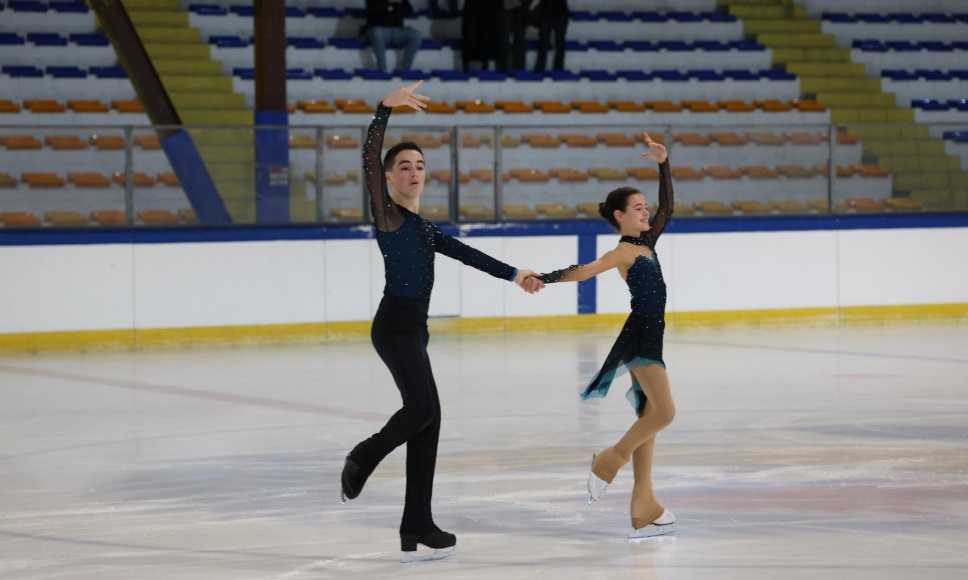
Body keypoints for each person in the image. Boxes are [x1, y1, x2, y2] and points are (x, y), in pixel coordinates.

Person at [341, 81, 543, 562]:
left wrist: (517, 274)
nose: (413, 172)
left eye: (419, 166)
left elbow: (468, 253)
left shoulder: (424, 228)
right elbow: (368, 159)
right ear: (388, 178)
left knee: (428, 419)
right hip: (394, 324)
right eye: (403, 166)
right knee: (420, 411)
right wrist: (382, 111)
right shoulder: (388, 215)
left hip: (415, 328)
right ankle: (363, 456)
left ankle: (417, 523)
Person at [529, 132, 677, 539]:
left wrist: (663, 164)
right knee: (664, 413)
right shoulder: (623, 252)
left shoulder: (648, 243)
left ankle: (644, 508)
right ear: (620, 216)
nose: (647, 212)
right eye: (638, 208)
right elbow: (584, 271)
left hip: (652, 334)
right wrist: (545, 277)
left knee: (648, 415)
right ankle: (610, 459)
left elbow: (668, 207)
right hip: (641, 335)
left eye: (646, 207)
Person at [362, 0, 422, 72]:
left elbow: (409, 11)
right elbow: (373, 8)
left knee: (416, 35)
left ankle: (404, 69)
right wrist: (389, 3)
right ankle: (382, 69)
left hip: (397, 30)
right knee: (378, 34)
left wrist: (399, 3)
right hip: (377, 28)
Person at [532, 0, 569, 73]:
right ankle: (543, 68)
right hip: (550, 13)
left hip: (556, 13)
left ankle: (545, 68)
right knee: (545, 43)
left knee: (558, 43)